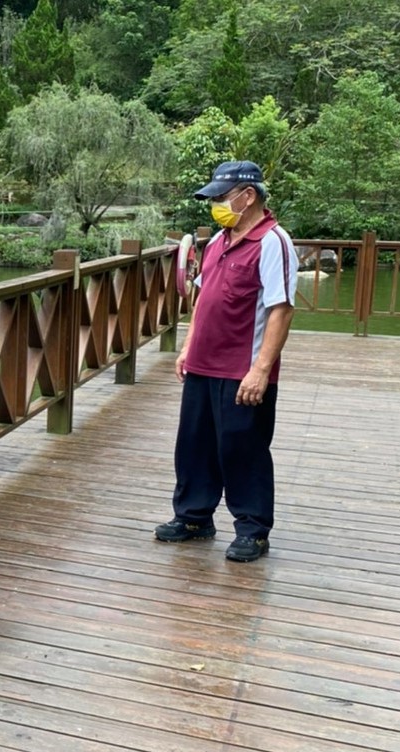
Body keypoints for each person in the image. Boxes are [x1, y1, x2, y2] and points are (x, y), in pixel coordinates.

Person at [154, 160, 298, 562]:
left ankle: (252, 529)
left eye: (221, 196)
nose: (216, 204)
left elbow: (281, 309)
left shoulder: (273, 241)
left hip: (243, 369)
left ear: (247, 195)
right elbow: (201, 299)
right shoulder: (218, 240)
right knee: (194, 445)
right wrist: (187, 346)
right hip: (203, 363)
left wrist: (261, 369)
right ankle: (195, 517)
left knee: (243, 448)